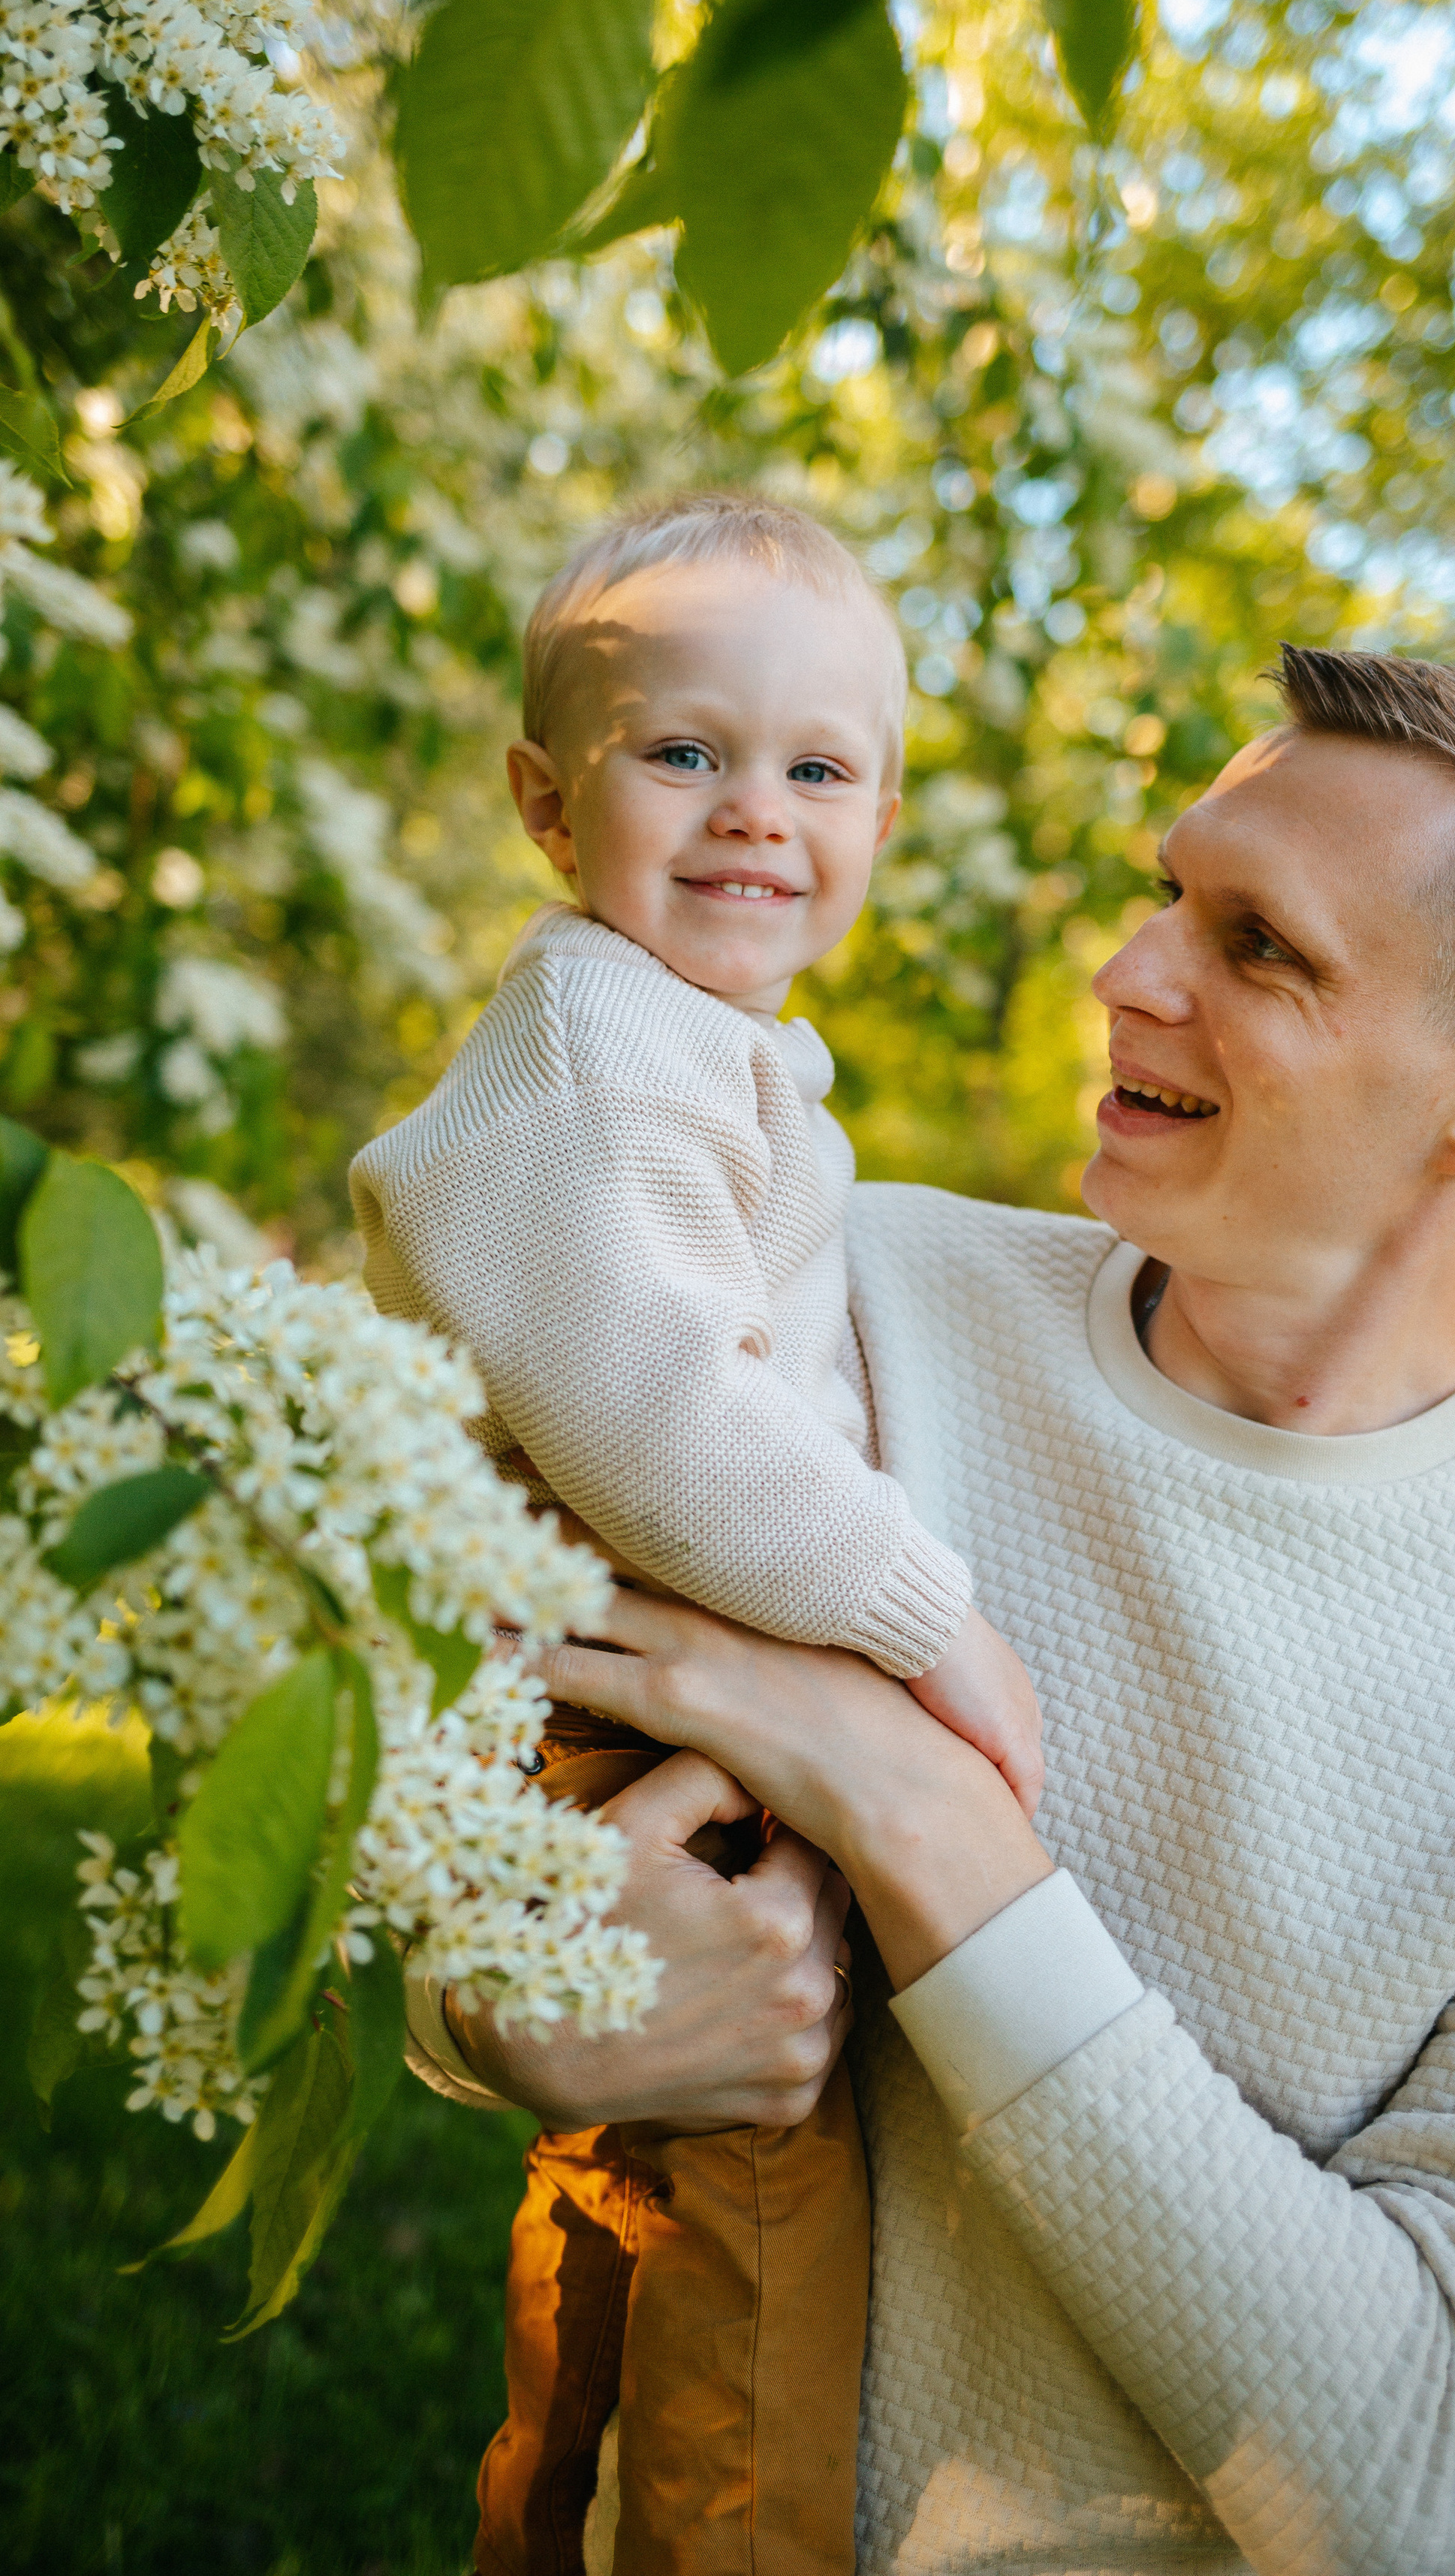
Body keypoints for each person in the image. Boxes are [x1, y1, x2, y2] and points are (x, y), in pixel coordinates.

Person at [411, 644, 1455, 2576]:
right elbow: (480, 1735)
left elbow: (1415, 2477)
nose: (1127, 971)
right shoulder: (822, 1296)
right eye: (1167, 888)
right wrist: (487, 2013)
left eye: (1256, 945)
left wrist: (924, 1821)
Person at [350, 493, 1041, 2576]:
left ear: (886, 814)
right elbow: (655, 1419)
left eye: (818, 769)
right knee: (749, 2240)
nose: (759, 812)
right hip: (633, 1714)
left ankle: (556, 2525)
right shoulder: (592, 1046)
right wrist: (931, 1623)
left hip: (645, 1696)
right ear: (547, 804)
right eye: (687, 753)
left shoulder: (700, 1050)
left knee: (639, 2218)